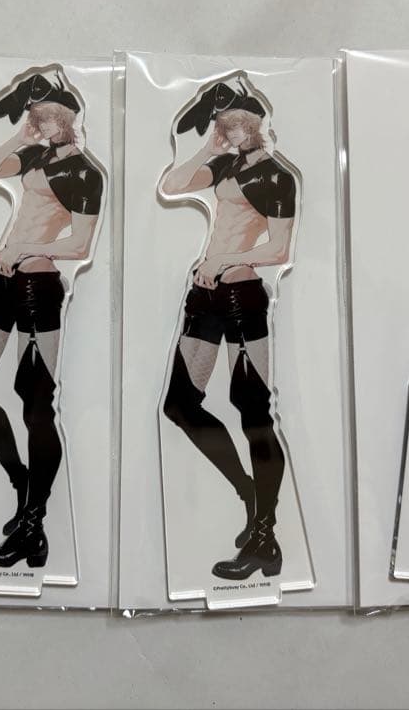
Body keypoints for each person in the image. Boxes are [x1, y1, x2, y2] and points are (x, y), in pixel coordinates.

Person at [0, 71, 103, 569]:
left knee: (36, 405)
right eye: (39, 118)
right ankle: (23, 483)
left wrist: (25, 248)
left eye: (51, 118)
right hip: (1, 283)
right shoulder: (35, 156)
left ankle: (34, 525)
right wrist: (20, 135)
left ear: (70, 119)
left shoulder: (85, 172)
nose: (44, 125)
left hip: (37, 286)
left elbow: (80, 243)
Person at [159, 79, 297, 581]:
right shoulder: (225, 166)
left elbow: (279, 249)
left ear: (257, 125)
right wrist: (208, 145)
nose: (231, 132)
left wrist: (227, 260)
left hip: (241, 296)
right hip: (206, 294)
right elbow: (173, 185)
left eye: (238, 125)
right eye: (225, 126)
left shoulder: (278, 176)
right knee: (180, 404)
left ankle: (265, 538)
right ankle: (250, 495)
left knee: (254, 413)